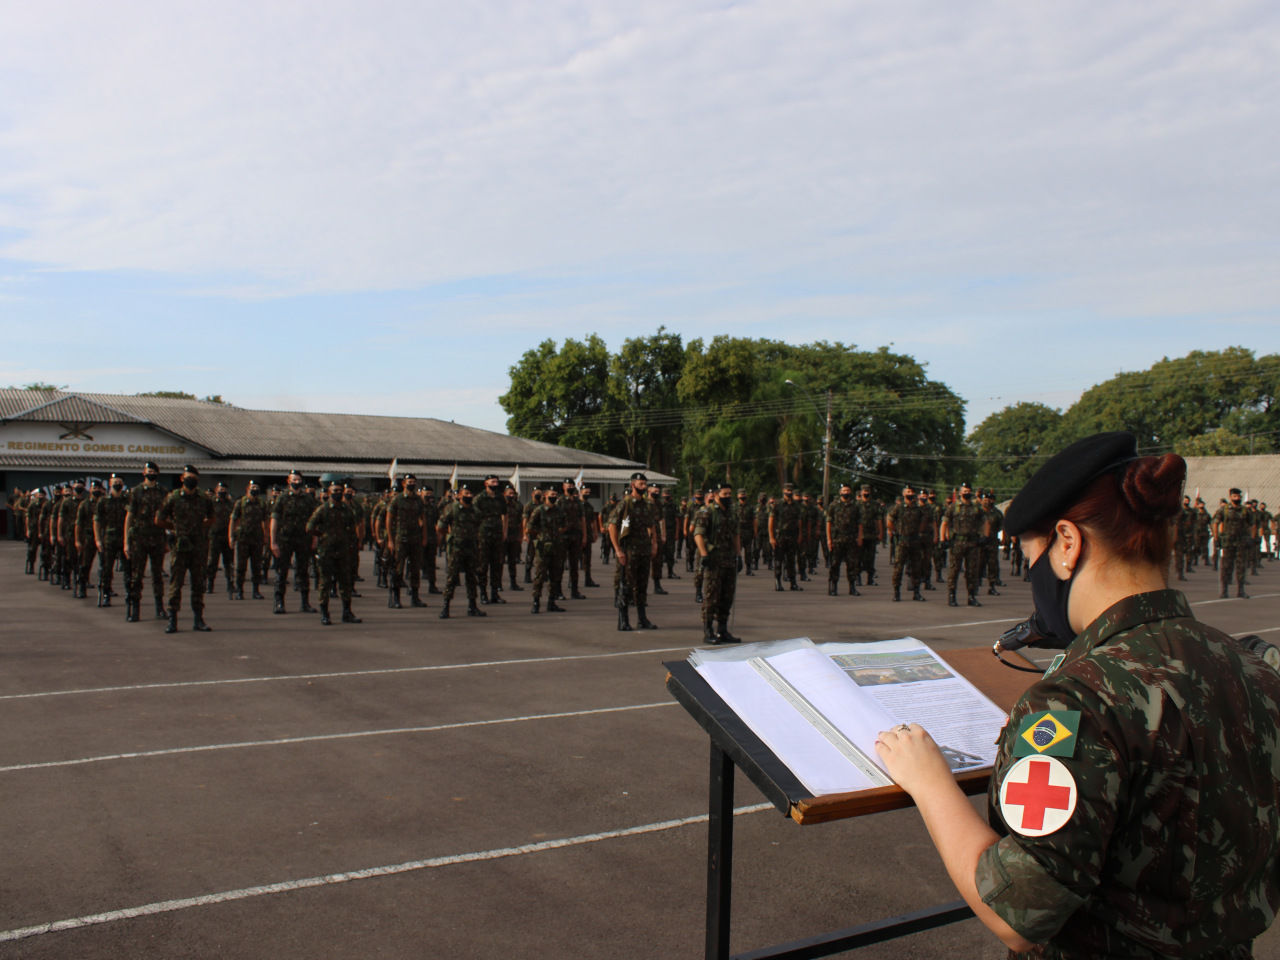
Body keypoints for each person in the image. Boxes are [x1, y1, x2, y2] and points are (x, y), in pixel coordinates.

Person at [873, 432, 1280, 957]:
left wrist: (930, 783)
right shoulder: (1254, 665)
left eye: (1030, 557)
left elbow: (1019, 912)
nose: (1032, 578)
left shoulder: (1076, 700)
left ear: (1068, 544)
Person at [155, 464, 216, 633]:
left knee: (198, 584)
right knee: (176, 584)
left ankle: (198, 620)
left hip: (198, 547)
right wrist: (174, 528)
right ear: (182, 478)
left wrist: (200, 527)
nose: (191, 480)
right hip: (180, 547)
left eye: (194, 478)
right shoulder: (172, 497)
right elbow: (159, 520)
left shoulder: (204, 498)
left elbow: (212, 518)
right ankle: (173, 620)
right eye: (188, 477)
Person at [306, 480, 362, 625]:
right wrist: (321, 535)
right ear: (329, 492)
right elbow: (309, 527)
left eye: (339, 490)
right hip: (327, 551)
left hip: (343, 551)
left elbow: (352, 527)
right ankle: (325, 613)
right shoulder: (323, 509)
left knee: (345, 582)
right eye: (334, 490)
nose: (337, 493)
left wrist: (352, 542)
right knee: (325, 583)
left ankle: (347, 612)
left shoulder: (347, 509)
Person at [694, 481, 741, 643]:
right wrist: (704, 554)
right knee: (711, 596)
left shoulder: (732, 512)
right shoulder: (706, 512)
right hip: (714, 560)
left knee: (727, 597)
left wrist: (738, 555)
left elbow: (736, 535)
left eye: (729, 494)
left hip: (729, 560)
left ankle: (723, 630)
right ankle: (708, 631)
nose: (728, 497)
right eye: (724, 494)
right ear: (715, 495)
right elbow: (698, 534)